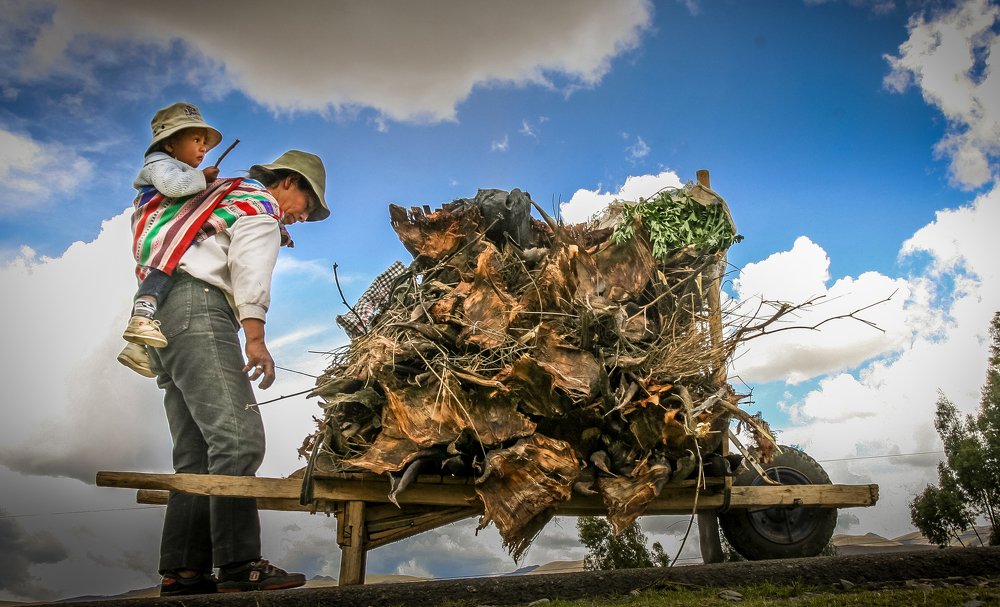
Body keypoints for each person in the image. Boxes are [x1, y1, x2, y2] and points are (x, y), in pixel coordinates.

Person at [145, 149, 330, 595]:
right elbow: (249, 267)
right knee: (239, 438)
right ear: (289, 182)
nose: (304, 217)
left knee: (195, 451)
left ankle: (184, 570)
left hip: (164, 317)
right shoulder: (261, 207)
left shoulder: (224, 198)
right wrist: (255, 336)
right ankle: (238, 563)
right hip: (201, 311)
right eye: (308, 204)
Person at [118, 101, 223, 377]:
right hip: (157, 227)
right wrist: (202, 178)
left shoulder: (170, 164)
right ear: (170, 145)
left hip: (158, 234)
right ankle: (140, 320)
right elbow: (174, 187)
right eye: (196, 140)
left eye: (205, 143)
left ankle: (138, 345)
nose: (203, 148)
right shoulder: (159, 164)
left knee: (160, 276)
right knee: (166, 265)